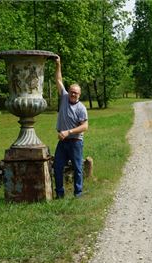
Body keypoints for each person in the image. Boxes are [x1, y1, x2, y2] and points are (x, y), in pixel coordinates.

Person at [54, 56, 88, 198]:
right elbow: (58, 79)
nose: (73, 94)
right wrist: (58, 64)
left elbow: (85, 126)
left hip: (75, 142)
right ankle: (60, 194)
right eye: (71, 91)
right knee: (57, 167)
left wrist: (69, 132)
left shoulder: (81, 108)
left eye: (76, 93)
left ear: (79, 95)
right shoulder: (64, 97)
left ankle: (78, 193)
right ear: (69, 91)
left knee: (78, 169)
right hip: (62, 142)